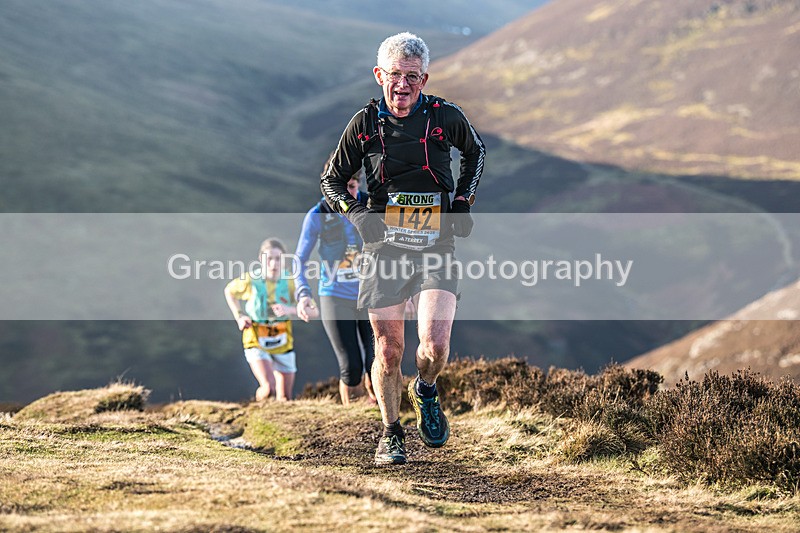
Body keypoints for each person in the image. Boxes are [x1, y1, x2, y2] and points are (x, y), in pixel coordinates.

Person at [320, 32, 485, 465]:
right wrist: (358, 216)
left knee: (434, 347)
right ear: (380, 75)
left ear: (424, 78)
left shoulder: (444, 116)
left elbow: (476, 154)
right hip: (384, 250)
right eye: (395, 75)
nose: (403, 84)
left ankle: (426, 389)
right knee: (389, 350)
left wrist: (463, 202)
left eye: (412, 76)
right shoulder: (365, 123)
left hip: (436, 245)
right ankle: (391, 433)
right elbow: (331, 181)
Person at [294, 170, 377, 406]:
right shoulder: (317, 215)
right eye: (341, 186)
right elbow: (299, 260)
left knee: (378, 361)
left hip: (370, 294)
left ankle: (381, 413)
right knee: (351, 366)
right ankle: (353, 415)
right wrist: (303, 295)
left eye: (352, 186)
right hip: (335, 296)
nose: (347, 193)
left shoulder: (371, 206)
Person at [224, 238, 317, 401]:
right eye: (269, 259)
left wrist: (291, 309)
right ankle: (257, 409)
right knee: (269, 388)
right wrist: (239, 315)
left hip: (282, 340)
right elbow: (229, 292)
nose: (274, 264)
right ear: (261, 259)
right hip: (256, 339)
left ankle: (276, 423)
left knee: (285, 397)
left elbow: (314, 312)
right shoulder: (250, 280)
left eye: (278, 259)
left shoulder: (291, 281)